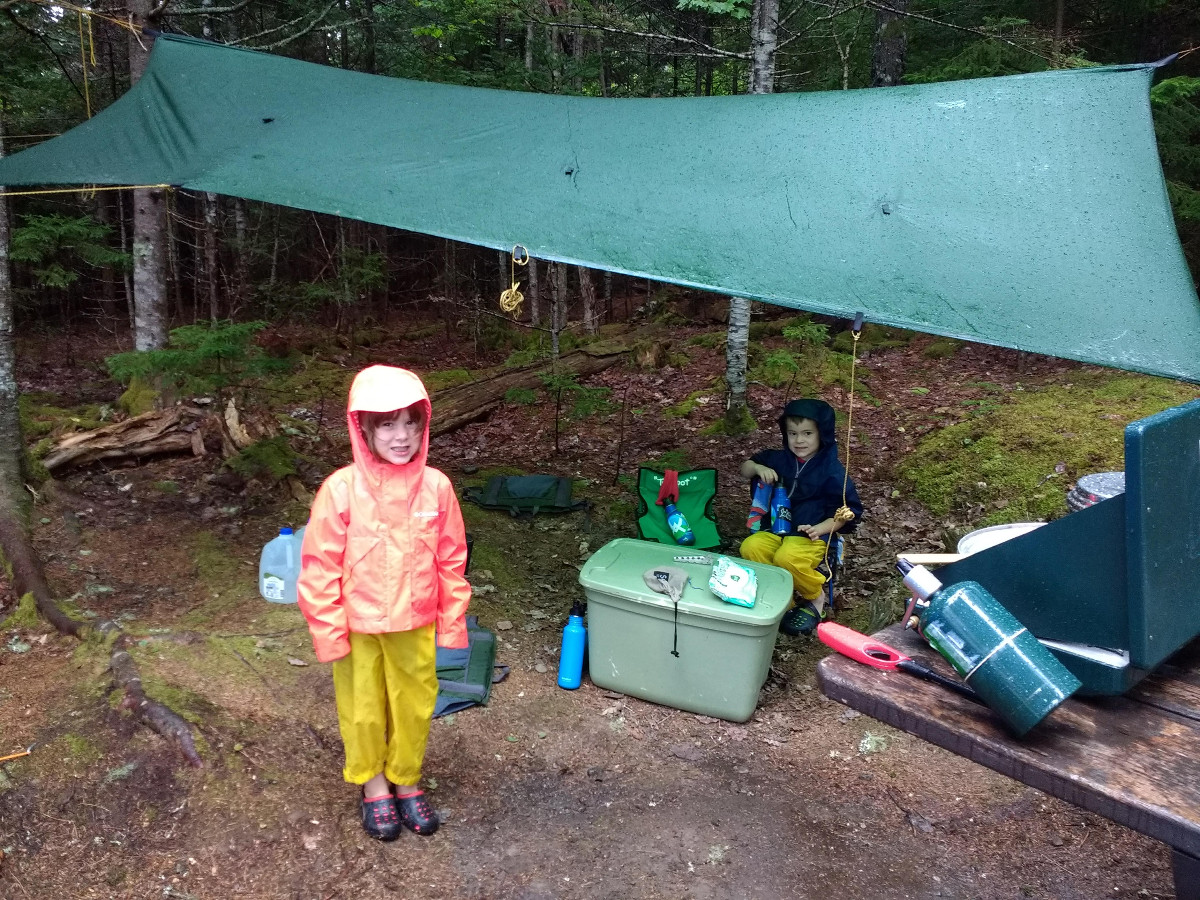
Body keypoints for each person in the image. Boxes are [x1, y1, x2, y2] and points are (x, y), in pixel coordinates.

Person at [297, 365, 471, 842]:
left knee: (415, 706)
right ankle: (373, 784)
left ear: (423, 426)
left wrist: (451, 624)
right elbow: (318, 565)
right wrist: (329, 633)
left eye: (409, 423)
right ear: (364, 430)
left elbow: (452, 560)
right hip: (357, 625)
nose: (401, 436)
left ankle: (406, 779)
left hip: (414, 623)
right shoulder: (340, 489)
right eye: (387, 425)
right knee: (363, 708)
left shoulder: (437, 487)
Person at [739, 398, 863, 637]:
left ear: (822, 434)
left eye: (807, 433)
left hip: (810, 532)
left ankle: (815, 597)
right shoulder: (777, 459)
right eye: (792, 433)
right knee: (751, 547)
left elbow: (847, 512)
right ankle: (784, 603)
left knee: (788, 558)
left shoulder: (831, 470)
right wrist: (757, 469)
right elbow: (745, 468)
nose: (799, 440)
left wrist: (822, 528)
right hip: (775, 527)